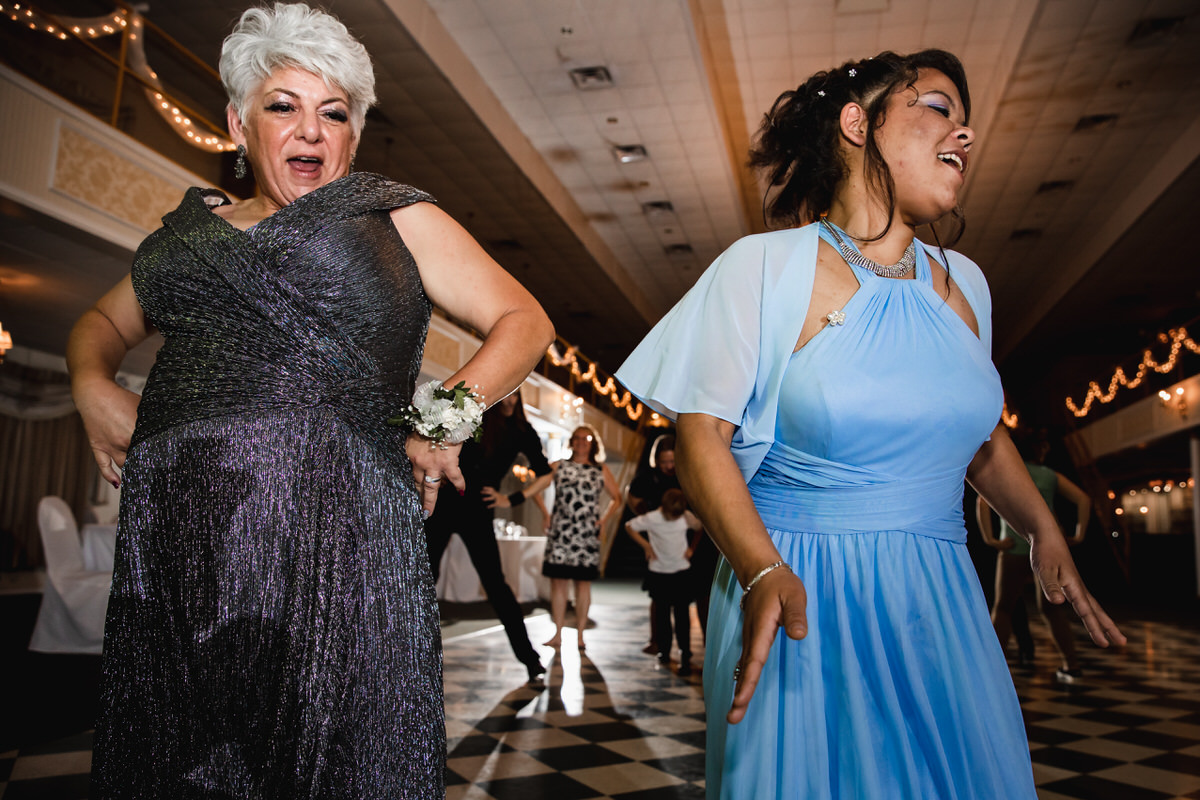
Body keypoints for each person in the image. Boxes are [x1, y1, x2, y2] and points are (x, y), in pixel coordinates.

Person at [67, 4, 554, 797]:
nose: (312, 131)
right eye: (283, 106)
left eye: (335, 113)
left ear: (354, 135)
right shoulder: (188, 239)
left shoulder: (391, 215)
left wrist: (442, 422)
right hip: (188, 541)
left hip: (345, 534)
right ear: (237, 122)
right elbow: (96, 325)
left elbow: (525, 320)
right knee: (187, 757)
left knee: (346, 752)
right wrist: (89, 386)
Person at [616, 49, 1125, 798]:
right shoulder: (764, 267)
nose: (966, 132)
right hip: (799, 588)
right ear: (859, 123)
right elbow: (699, 440)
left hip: (941, 597)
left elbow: (980, 439)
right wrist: (759, 569)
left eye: (966, 118)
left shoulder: (968, 287)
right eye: (938, 107)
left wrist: (1041, 529)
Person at [428, 390, 551, 683]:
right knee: (424, 578)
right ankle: (404, 654)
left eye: (515, 397)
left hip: (477, 510)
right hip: (446, 503)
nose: (509, 402)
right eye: (505, 397)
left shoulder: (522, 430)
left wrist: (512, 500)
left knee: (496, 585)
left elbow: (545, 473)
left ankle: (530, 658)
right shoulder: (474, 419)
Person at [492, 424, 619, 650]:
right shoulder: (559, 466)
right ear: (571, 442)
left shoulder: (600, 470)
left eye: (585, 438)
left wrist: (603, 521)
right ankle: (557, 633)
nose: (581, 442)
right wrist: (545, 513)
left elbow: (617, 498)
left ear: (592, 443)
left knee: (583, 584)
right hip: (561, 531)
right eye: (577, 438)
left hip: (586, 533)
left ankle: (580, 635)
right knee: (558, 584)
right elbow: (536, 485)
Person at [977, 436, 1092, 683]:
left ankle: (992, 673)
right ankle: (1071, 665)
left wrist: (990, 539)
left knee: (1003, 608)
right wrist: (1079, 535)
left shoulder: (1007, 470)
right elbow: (1084, 499)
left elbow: (982, 502)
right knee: (1052, 609)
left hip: (1014, 547)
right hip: (1049, 548)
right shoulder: (1049, 475)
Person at [626, 488, 702, 675]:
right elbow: (629, 526)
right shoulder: (652, 518)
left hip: (681, 571)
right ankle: (664, 650)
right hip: (659, 572)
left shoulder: (685, 516)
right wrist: (646, 546)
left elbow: (699, 528)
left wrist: (692, 548)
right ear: (663, 507)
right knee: (662, 616)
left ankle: (685, 653)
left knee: (682, 616)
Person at [625, 434, 680, 653]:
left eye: (672, 461)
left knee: (681, 598)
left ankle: (684, 645)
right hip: (657, 538)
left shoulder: (685, 473)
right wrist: (646, 516)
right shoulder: (647, 476)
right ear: (656, 460)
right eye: (664, 461)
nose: (668, 466)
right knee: (658, 595)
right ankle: (656, 640)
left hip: (682, 537)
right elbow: (633, 497)